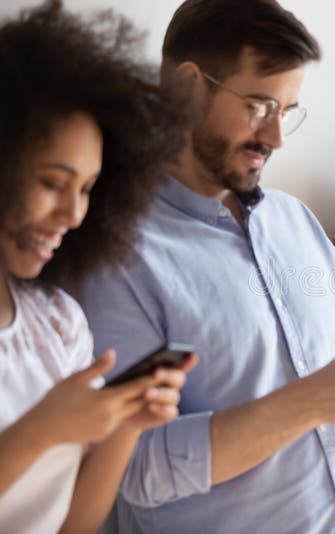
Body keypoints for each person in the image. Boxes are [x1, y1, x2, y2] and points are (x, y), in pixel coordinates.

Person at [74, 1, 335, 532]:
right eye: (260, 106)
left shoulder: (299, 228)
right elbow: (136, 469)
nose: (277, 137)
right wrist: (309, 400)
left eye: (287, 112)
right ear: (188, 88)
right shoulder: (117, 252)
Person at [0, 2, 194, 533]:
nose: (74, 213)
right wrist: (40, 429)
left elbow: (73, 525)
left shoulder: (58, 324)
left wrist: (127, 425)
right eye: (52, 183)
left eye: (87, 189)